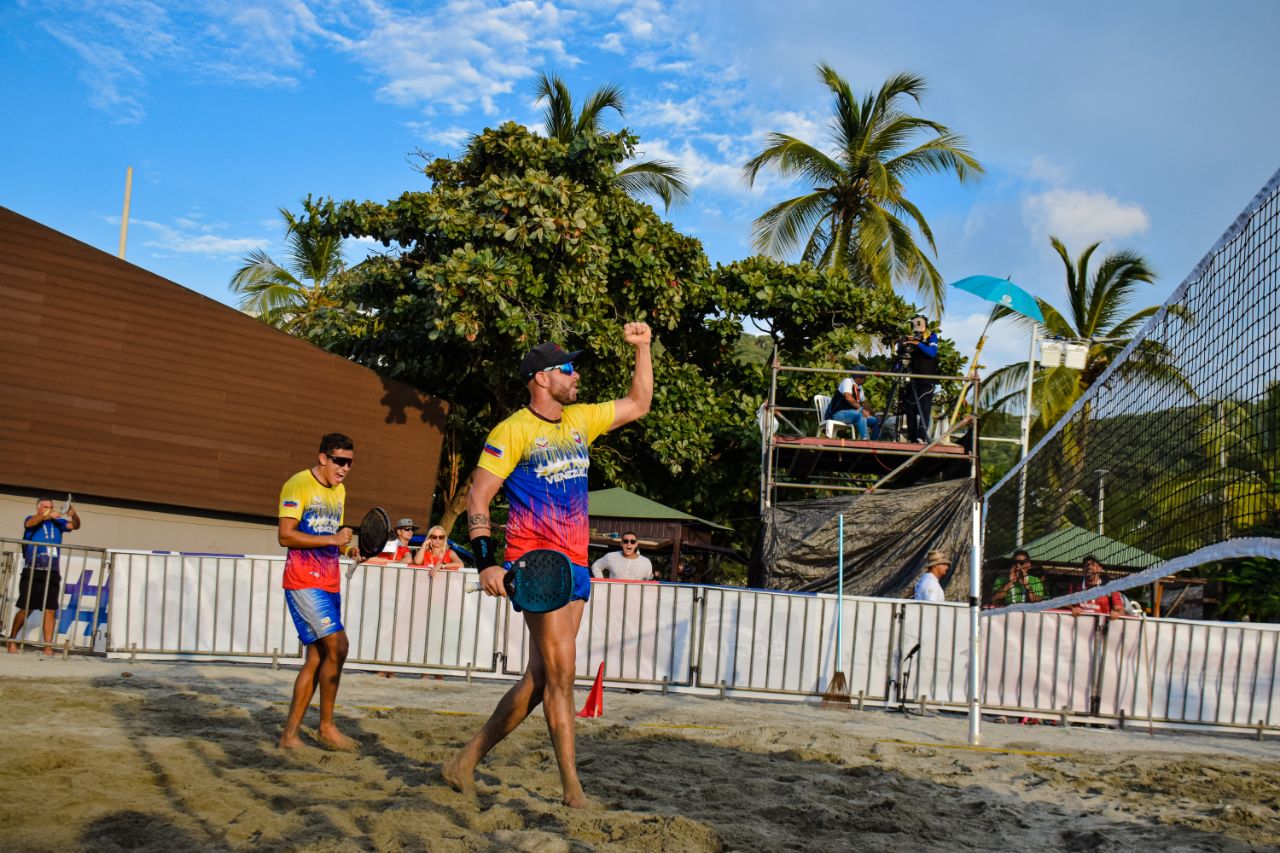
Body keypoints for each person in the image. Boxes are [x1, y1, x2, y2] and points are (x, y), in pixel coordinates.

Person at [443, 323, 653, 809]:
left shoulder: (579, 420)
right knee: (562, 677)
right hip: (537, 564)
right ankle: (572, 790)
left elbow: (639, 403)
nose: (575, 374)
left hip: (576, 565)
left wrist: (643, 348)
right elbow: (479, 496)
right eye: (567, 368)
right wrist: (485, 564)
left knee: (540, 680)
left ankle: (464, 761)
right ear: (541, 378)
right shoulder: (512, 430)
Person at [277, 433, 363, 750]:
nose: (344, 468)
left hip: (328, 579)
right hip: (303, 580)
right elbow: (285, 536)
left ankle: (290, 736)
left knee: (318, 657)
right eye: (339, 461)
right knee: (339, 646)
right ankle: (326, 727)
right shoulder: (297, 484)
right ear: (323, 457)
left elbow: (329, 536)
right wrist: (333, 540)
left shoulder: (339, 490)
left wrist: (347, 549)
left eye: (350, 463)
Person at [8, 497, 81, 655]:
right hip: (33, 569)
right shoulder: (33, 519)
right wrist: (47, 514)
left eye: (51, 506)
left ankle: (48, 646)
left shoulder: (58, 523)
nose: (49, 509)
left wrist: (73, 515)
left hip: (51, 571)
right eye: (46, 506)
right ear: (39, 508)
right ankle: (12, 639)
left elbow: (75, 525)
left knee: (50, 609)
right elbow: (29, 523)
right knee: (26, 608)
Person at [903, 314, 939, 443]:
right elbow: (903, 354)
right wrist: (904, 343)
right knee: (910, 408)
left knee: (924, 409)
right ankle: (911, 437)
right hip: (913, 378)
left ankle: (921, 437)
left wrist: (918, 343)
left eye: (920, 323)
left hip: (927, 379)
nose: (918, 326)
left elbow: (932, 352)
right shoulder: (911, 337)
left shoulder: (932, 336)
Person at [825, 366, 880, 440]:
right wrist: (861, 410)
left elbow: (864, 403)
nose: (866, 379)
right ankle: (866, 441)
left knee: (876, 421)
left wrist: (875, 414)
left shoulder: (859, 387)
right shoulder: (847, 381)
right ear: (860, 378)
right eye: (865, 377)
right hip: (838, 414)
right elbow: (848, 397)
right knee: (861, 415)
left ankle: (874, 443)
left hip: (853, 415)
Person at [1071, 556, 1124, 620]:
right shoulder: (1075, 586)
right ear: (1083, 570)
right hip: (1080, 626)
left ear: (1100, 569)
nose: (1089, 567)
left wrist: (1116, 613)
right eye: (1086, 565)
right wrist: (1072, 609)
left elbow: (1120, 610)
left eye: (1093, 565)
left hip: (1101, 627)